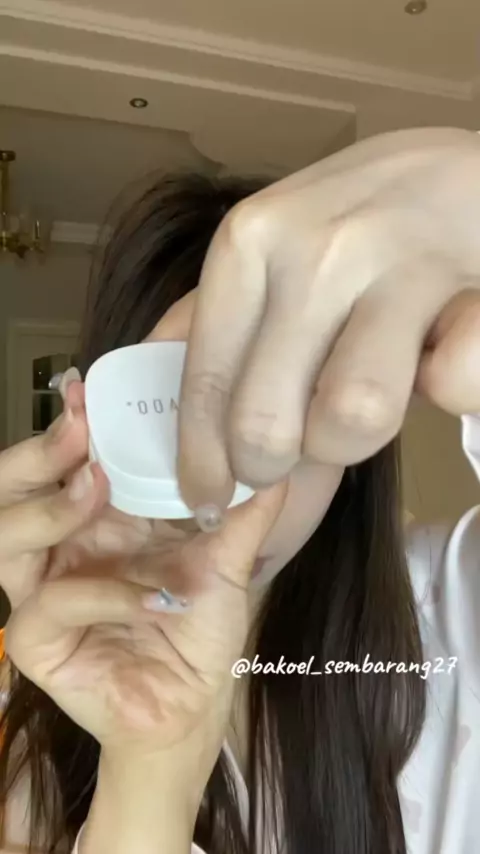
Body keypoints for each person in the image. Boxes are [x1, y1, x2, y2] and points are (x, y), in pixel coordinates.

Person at [0, 127, 479, 854]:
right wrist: (150, 768)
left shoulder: (454, 611)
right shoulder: (38, 726)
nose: (214, 488)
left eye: (270, 419)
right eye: (167, 415)